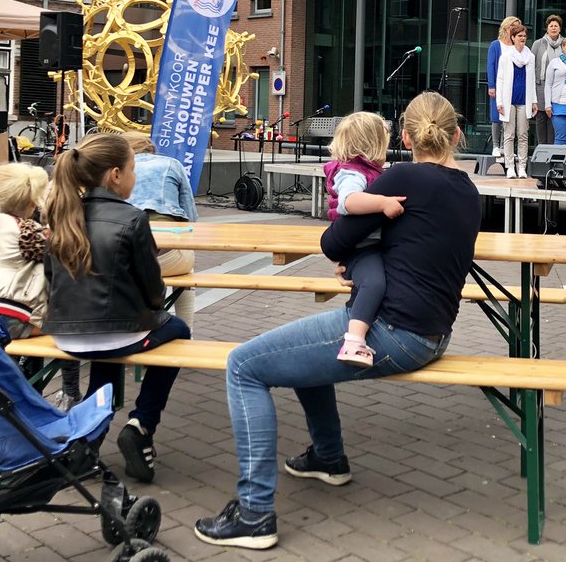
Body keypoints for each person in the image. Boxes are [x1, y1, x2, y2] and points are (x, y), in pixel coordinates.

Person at [194, 91, 480, 550]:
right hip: (433, 333)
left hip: (394, 331)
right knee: (303, 356)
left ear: (406, 138)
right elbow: (419, 246)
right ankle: (328, 458)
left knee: (243, 366)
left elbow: (332, 241)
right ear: (457, 134)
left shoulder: (402, 176)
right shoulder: (468, 190)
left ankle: (254, 514)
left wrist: (353, 257)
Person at [44, 134, 191, 483]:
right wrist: (151, 309)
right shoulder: (132, 218)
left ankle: (88, 441)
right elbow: (154, 290)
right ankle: (142, 423)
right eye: (132, 169)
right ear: (115, 175)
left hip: (66, 335)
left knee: (106, 351)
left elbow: (50, 280)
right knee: (179, 331)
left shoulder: (62, 215)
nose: (134, 177)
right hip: (115, 333)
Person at [0, 163, 83, 410]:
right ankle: (70, 393)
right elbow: (65, 253)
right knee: (71, 328)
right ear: (33, 203)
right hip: (12, 318)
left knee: (24, 330)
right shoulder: (28, 231)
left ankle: (19, 388)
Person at [321, 112, 404, 366]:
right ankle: (354, 341)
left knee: (375, 282)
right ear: (372, 146)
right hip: (361, 248)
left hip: (368, 246)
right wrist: (382, 203)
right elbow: (348, 202)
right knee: (374, 283)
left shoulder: (364, 171)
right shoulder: (352, 173)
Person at [122, 131, 199, 332]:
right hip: (167, 259)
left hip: (122, 262)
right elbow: (191, 217)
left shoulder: (116, 171)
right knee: (187, 270)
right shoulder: (172, 164)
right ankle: (187, 330)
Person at [496, 22, 538, 178]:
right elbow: (500, 80)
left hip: (524, 101)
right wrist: (499, 102)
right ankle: (510, 167)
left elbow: (532, 80)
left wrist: (533, 100)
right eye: (519, 36)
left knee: (523, 135)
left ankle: (522, 167)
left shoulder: (530, 57)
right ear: (513, 38)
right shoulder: (506, 56)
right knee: (509, 135)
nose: (523, 38)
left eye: (524, 36)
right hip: (509, 101)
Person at [486, 15, 520, 160]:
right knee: (496, 116)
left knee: (510, 117)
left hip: (513, 86)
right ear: (506, 28)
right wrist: (491, 85)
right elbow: (491, 65)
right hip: (499, 85)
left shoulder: (517, 46)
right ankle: (495, 145)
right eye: (514, 26)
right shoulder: (496, 45)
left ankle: (506, 146)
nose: (516, 29)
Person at [530, 14, 564, 147]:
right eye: (551, 26)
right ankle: (541, 149)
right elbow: (531, 66)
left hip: (558, 88)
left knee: (554, 120)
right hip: (541, 87)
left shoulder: (565, 44)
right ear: (547, 28)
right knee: (541, 119)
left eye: (556, 26)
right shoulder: (538, 44)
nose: (553, 28)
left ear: (560, 28)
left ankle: (551, 149)